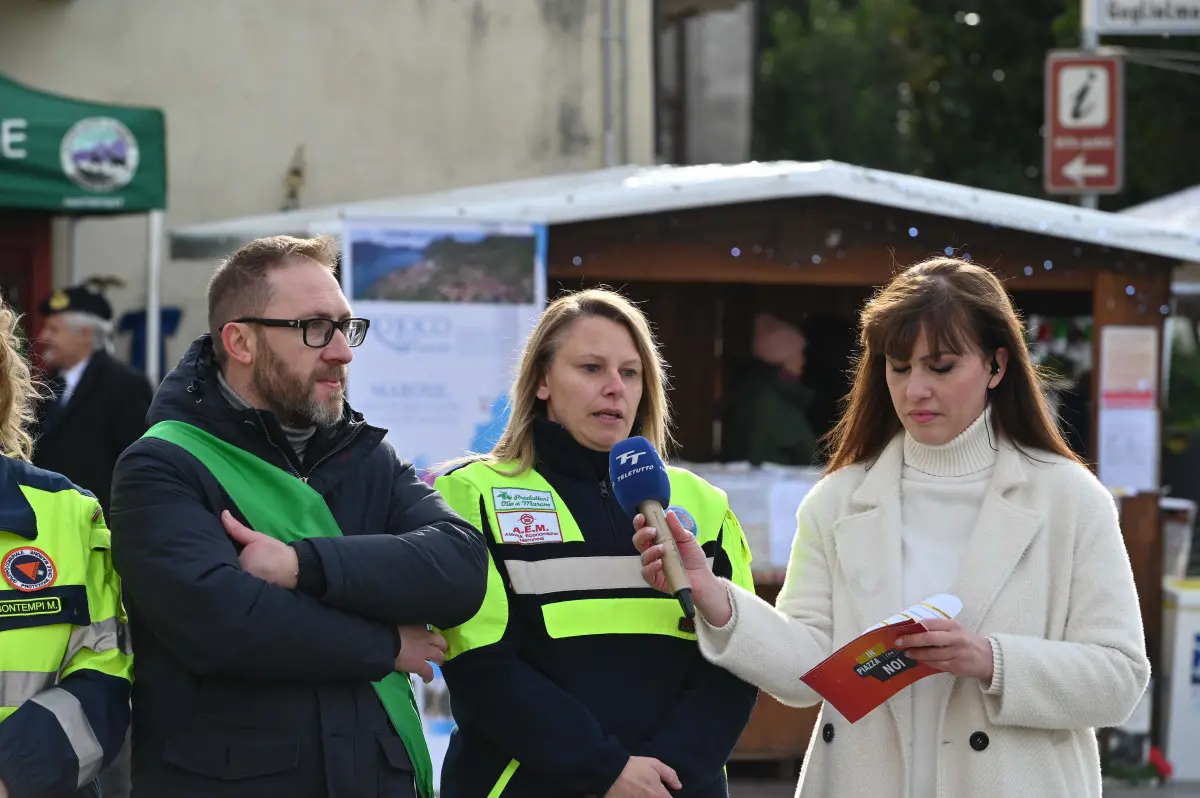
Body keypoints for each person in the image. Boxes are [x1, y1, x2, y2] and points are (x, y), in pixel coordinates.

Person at [636, 257, 1151, 798]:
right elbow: (807, 670)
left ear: (996, 366)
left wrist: (991, 660)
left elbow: (1120, 678)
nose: (915, 390)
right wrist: (713, 596)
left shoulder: (1071, 499)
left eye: (941, 367)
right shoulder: (837, 500)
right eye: (899, 367)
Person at [107, 234, 489, 798]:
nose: (342, 352)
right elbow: (224, 624)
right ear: (240, 341)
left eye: (345, 327)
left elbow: (461, 569)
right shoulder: (162, 464)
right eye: (314, 328)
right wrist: (385, 646)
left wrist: (299, 565)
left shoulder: (367, 457)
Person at [432, 288, 759, 798]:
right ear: (541, 380)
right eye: (591, 368)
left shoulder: (705, 505)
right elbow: (481, 665)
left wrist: (666, 777)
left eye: (630, 373)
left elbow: (739, 657)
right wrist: (606, 772)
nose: (614, 388)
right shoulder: (473, 492)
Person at [0, 293, 133, 798]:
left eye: (57, 326)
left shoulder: (71, 512)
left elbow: (104, 672)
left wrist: (12, 774)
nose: (47, 336)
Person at [31, 282, 154, 517]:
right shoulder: (47, 383)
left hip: (98, 523)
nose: (43, 336)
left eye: (54, 329)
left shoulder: (124, 384)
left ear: (85, 334)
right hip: (49, 520)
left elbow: (138, 465)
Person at [721, 312, 821, 466]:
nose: (803, 360)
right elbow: (756, 455)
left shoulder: (768, 394)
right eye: (798, 353)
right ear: (781, 359)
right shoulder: (770, 400)